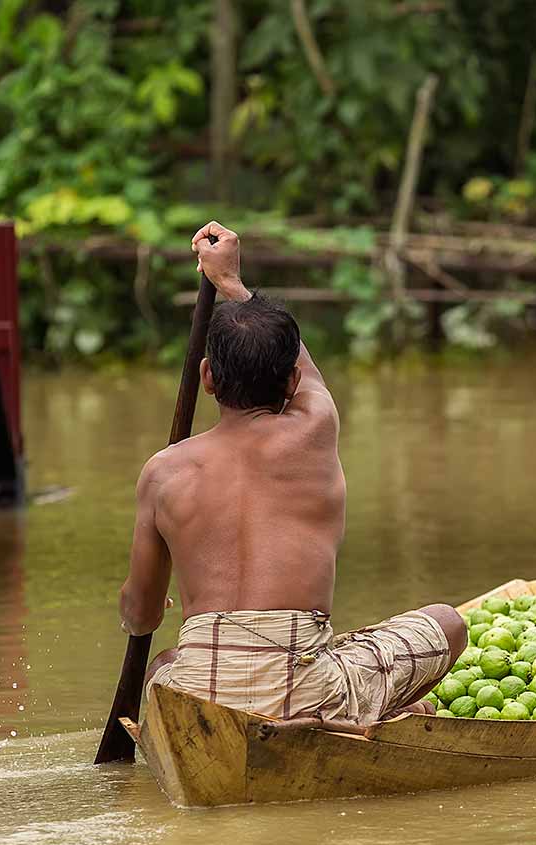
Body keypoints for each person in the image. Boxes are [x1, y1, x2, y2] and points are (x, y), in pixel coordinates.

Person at [117, 221, 466, 731]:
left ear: (207, 377)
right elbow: (310, 376)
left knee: (166, 663)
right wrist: (232, 284)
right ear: (293, 381)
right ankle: (372, 709)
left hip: (202, 693)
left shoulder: (161, 472)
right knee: (448, 623)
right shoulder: (314, 430)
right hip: (303, 688)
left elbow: (140, 615)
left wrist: (141, 609)